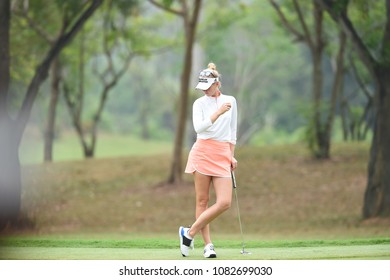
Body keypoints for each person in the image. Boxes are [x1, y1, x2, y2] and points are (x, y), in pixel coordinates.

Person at [179, 62, 238, 258]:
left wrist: (231, 155)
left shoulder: (231, 100)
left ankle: (188, 233)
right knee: (202, 200)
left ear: (217, 84)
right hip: (203, 151)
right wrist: (219, 112)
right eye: (202, 88)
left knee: (225, 202)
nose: (204, 91)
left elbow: (232, 132)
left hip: (222, 153)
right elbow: (199, 128)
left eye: (208, 87)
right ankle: (208, 245)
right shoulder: (199, 104)